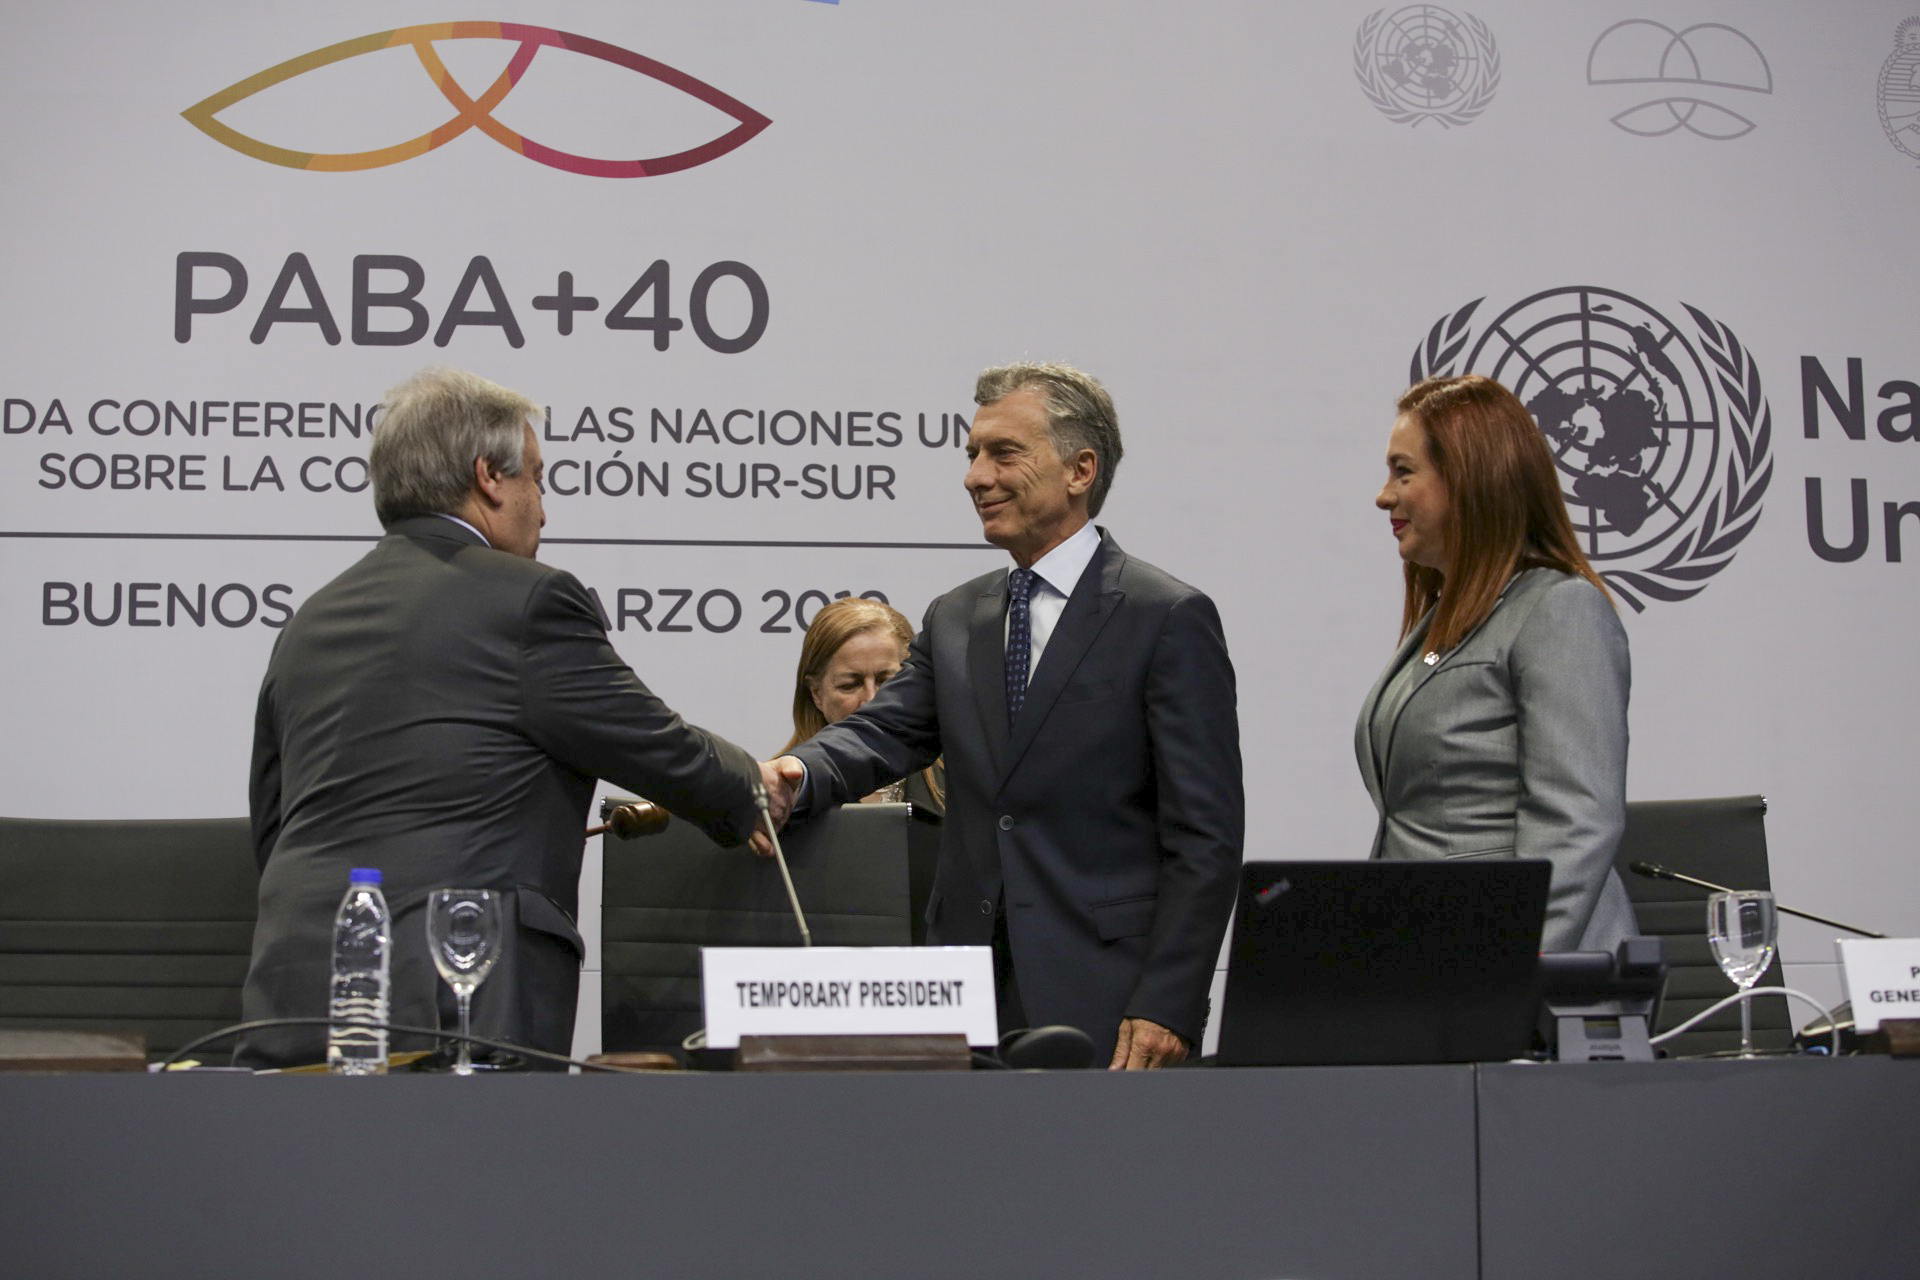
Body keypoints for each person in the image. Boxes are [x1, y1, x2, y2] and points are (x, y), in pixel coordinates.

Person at [238, 367, 770, 1069]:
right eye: (538, 480)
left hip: (295, 990)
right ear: (490, 476)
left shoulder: (310, 619)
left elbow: (274, 821)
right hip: (456, 998)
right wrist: (753, 789)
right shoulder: (526, 602)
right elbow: (659, 748)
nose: (544, 510)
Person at [767, 362, 1243, 1069]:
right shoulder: (956, 616)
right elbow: (882, 730)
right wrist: (795, 772)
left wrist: (1168, 1001)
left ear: (1081, 469)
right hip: (961, 995)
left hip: (1104, 994)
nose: (975, 476)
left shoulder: (1165, 616)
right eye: (971, 455)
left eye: (1002, 453)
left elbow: (1205, 839)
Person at [1357, 373, 1636, 953]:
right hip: (1436, 969)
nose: (1384, 495)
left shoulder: (1559, 609)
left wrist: (1502, 974)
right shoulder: (1445, 616)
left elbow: (1576, 825)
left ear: (1468, 478)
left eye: (1404, 472)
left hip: (1524, 992)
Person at [779, 596, 944, 812]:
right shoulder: (779, 795)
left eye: (888, 682)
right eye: (849, 685)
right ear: (816, 693)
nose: (871, 699)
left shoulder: (962, 787)